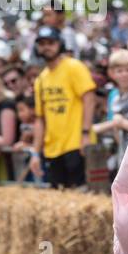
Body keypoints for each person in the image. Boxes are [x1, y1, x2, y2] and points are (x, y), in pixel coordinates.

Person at [27, 26, 97, 188]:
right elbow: (40, 119)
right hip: (52, 149)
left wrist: (85, 134)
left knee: (80, 195)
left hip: (76, 144)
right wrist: (35, 153)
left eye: (51, 42)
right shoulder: (41, 79)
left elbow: (89, 99)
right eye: (42, 43)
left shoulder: (73, 67)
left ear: (60, 44)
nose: (47, 47)